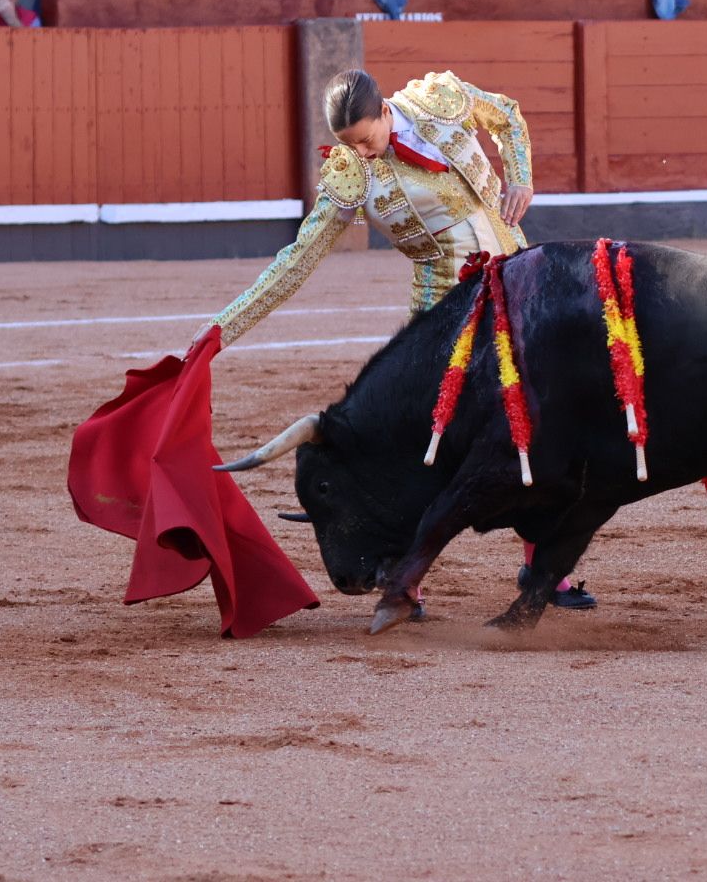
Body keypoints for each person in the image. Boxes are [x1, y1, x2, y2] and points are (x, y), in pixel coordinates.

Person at [202, 68, 593, 615]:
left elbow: (505, 113)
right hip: (442, 316)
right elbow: (298, 259)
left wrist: (521, 175)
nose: (360, 152)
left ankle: (546, 570)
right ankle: (405, 581)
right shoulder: (350, 176)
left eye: (365, 138)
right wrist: (224, 328)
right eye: (349, 144)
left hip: (519, 283)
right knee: (425, 448)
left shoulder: (441, 99)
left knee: (540, 424)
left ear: (386, 111)